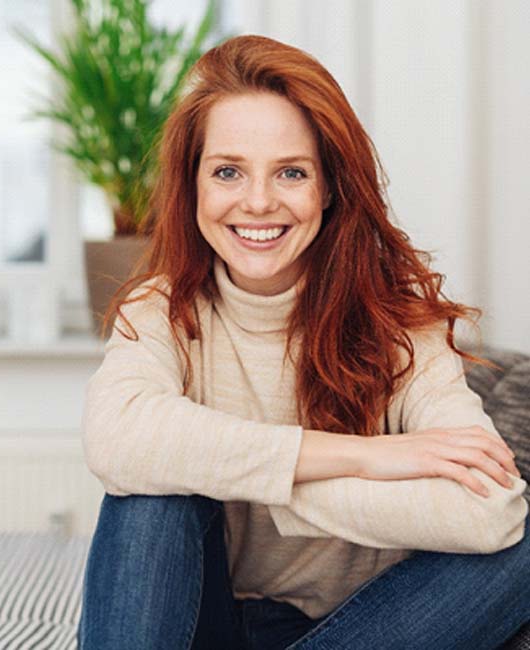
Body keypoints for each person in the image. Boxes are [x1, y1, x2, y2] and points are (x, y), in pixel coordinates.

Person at [77, 34, 530, 650]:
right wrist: (366, 457)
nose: (258, 202)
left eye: (291, 172)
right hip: (203, 620)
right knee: (148, 498)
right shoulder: (160, 308)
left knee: (519, 552)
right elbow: (116, 438)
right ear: (193, 187)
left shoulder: (400, 323)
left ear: (330, 188)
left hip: (358, 629)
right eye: (228, 171)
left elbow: (492, 512)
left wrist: (267, 482)